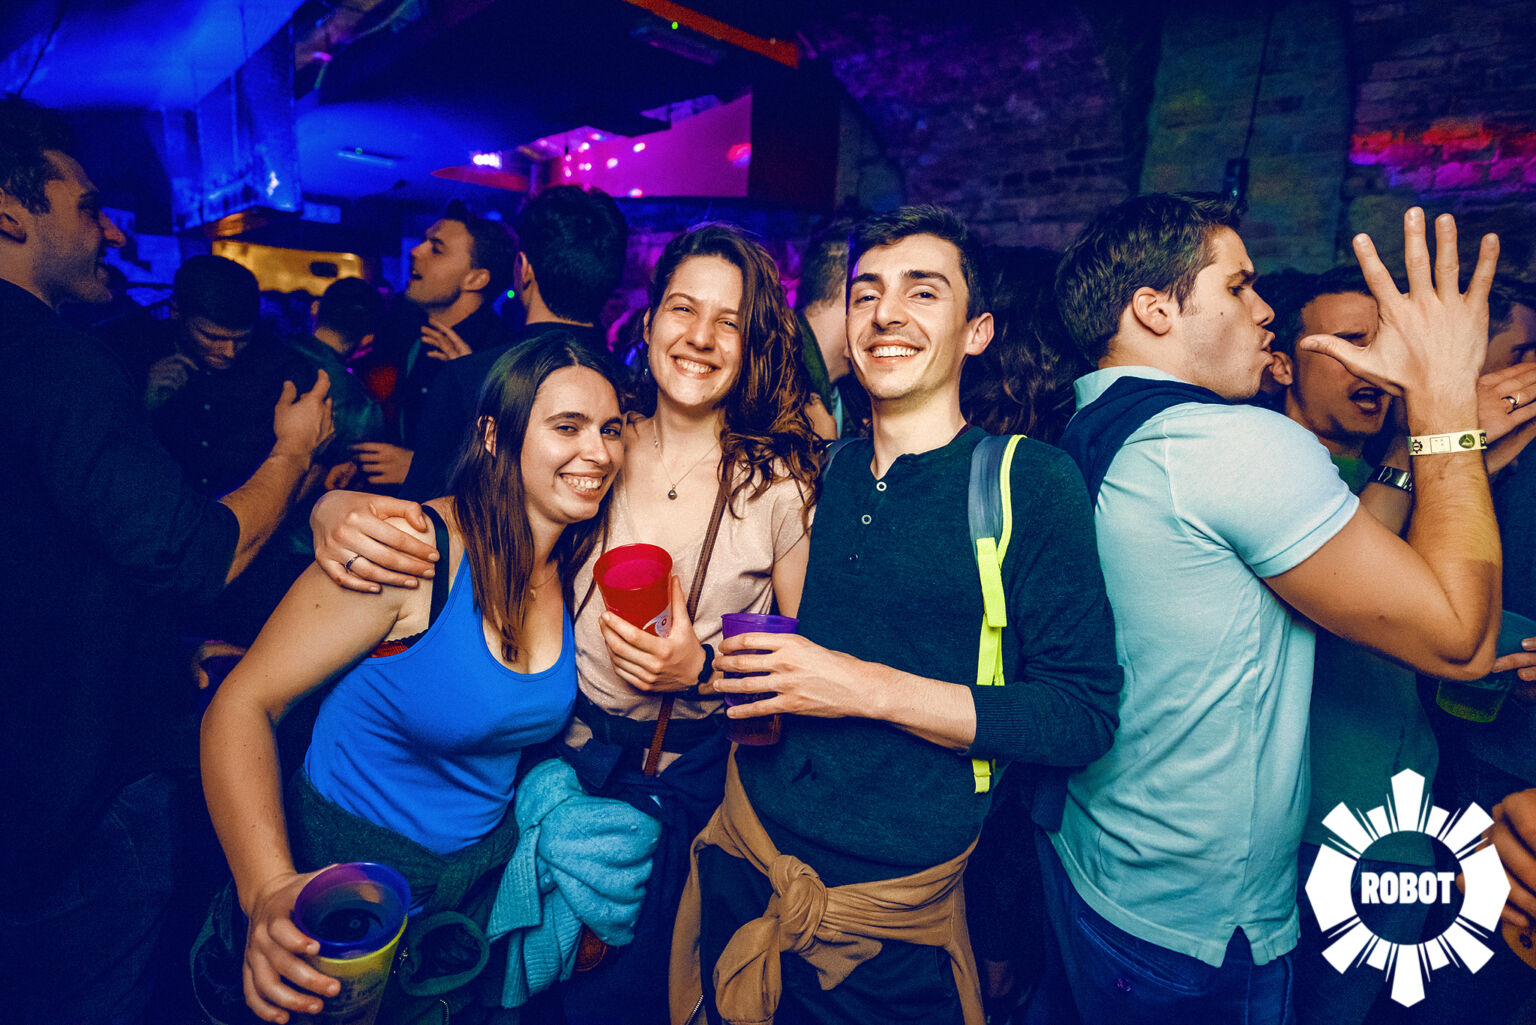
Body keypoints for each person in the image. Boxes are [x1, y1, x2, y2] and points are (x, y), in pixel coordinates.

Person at [311, 222, 822, 1024]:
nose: (700, 336)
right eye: (683, 308)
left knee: (625, 998)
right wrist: (334, 505)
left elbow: (800, 681)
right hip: (546, 757)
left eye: (729, 321)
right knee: (514, 984)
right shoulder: (598, 445)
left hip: (679, 783)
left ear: (752, 341)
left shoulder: (780, 485)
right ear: (647, 319)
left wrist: (698, 671)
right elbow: (471, 516)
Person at [1045, 194, 1511, 1024]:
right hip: (1201, 929)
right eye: (1238, 286)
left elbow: (1334, 573)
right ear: (1154, 309)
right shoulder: (1230, 443)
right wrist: (1443, 397)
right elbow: (1461, 640)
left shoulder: (1091, 424)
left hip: (1101, 859)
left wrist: (1399, 454)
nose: (1264, 310)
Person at [672, 205, 1123, 1025]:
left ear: (977, 331)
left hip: (887, 924)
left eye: (923, 291)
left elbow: (1080, 715)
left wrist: (865, 687)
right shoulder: (814, 473)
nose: (887, 313)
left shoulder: (1027, 481)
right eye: (867, 293)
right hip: (746, 856)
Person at [0, 95, 332, 1025]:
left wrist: (157, 648)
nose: (111, 230)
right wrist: (294, 454)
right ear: (9, 213)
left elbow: (42, 564)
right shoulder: (63, 361)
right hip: (69, 792)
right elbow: (190, 553)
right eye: (86, 206)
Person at [200, 333, 624, 1024]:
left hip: (461, 902)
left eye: (610, 429)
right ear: (493, 435)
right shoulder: (412, 552)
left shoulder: (578, 563)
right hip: (336, 896)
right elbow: (243, 704)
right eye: (567, 427)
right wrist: (268, 887)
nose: (598, 452)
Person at [401, 185, 627, 501]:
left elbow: (420, 515)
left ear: (524, 269)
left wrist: (475, 380)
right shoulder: (635, 388)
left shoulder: (470, 378)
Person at [353, 201, 517, 487]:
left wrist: (424, 468)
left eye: (437, 249)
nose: (416, 251)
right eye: (424, 242)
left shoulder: (501, 354)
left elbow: (509, 468)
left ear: (476, 278)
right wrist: (361, 466)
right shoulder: (414, 334)